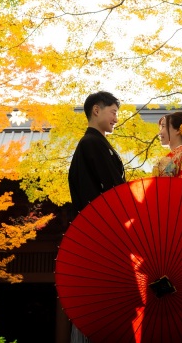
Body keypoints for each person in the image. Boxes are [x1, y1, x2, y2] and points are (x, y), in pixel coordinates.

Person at [67, 92, 126, 342]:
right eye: (113, 112)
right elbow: (114, 188)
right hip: (104, 226)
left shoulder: (95, 143)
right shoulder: (91, 143)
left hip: (97, 225)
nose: (115, 118)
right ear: (96, 110)